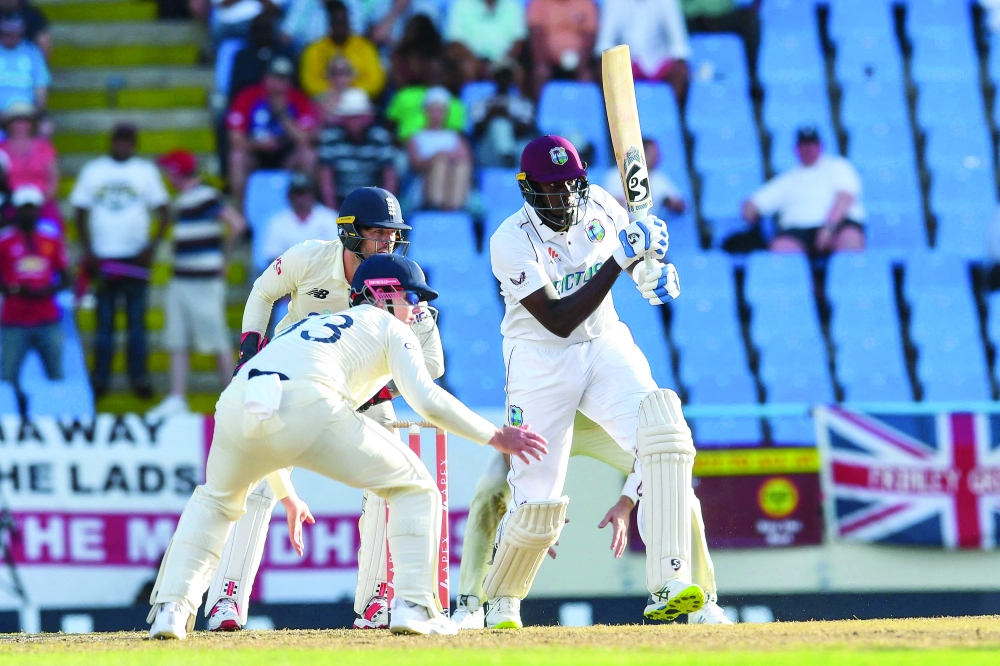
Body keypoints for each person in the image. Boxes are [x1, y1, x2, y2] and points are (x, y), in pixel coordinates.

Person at [146, 252, 549, 639]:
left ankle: (172, 610)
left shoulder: (304, 326)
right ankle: (413, 606)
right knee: (416, 488)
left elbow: (267, 411)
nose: (417, 310)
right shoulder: (388, 325)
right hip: (310, 403)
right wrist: (495, 436)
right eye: (411, 297)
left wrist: (286, 495)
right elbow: (427, 399)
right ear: (381, 293)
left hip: (238, 400)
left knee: (214, 504)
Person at [482, 135, 709, 628]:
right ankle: (499, 601)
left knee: (664, 436)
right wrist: (620, 261)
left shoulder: (603, 204)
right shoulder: (510, 240)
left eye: (571, 186)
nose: (563, 198)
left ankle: (670, 579)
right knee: (537, 501)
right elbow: (557, 319)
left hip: (605, 342)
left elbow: (635, 256)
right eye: (551, 189)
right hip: (540, 358)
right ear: (528, 189)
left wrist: (652, 274)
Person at [204, 187, 441, 632]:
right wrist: (250, 349)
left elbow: (431, 370)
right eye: (377, 235)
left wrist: (421, 325)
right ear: (349, 235)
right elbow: (261, 292)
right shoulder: (310, 257)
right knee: (255, 484)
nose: (386, 246)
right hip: (292, 383)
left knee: (389, 484)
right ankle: (226, 600)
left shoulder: (397, 277)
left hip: (363, 392)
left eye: (393, 237)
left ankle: (375, 602)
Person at [450, 412, 731, 628]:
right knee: (489, 489)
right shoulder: (527, 348)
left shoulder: (611, 347)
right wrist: (534, 507)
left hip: (605, 427)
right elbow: (518, 437)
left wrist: (626, 502)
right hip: (548, 424)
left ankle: (703, 604)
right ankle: (470, 605)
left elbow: (649, 454)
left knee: (679, 489)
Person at [70, 124, 170, 400]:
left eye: (128, 141)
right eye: (119, 140)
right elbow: (79, 212)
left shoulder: (145, 171)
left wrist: (151, 248)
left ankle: (138, 377)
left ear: (134, 144)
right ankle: (100, 379)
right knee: (105, 323)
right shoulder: (94, 170)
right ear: (111, 142)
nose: (123, 145)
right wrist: (88, 251)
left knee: (136, 324)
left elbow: (163, 210)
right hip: (103, 259)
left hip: (136, 258)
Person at [147, 150, 247, 418]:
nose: (166, 175)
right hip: (181, 278)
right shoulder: (184, 199)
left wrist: (224, 259)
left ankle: (232, 396)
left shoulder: (206, 195)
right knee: (176, 337)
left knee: (215, 338)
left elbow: (236, 224)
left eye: (169, 170)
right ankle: (177, 397)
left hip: (204, 280)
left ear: (178, 172)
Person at [740, 125, 866, 254]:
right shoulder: (786, 179)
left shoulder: (838, 166)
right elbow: (752, 204)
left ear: (821, 146)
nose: (809, 149)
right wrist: (753, 217)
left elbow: (845, 198)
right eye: (804, 145)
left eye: (812, 144)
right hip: (798, 232)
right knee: (781, 247)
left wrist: (829, 227)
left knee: (850, 239)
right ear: (796, 149)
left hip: (837, 227)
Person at [0, 186, 68, 417]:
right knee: (7, 377)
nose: (28, 214)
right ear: (16, 210)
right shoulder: (5, 241)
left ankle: (56, 419)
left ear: (39, 210)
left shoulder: (50, 239)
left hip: (47, 316)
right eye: (24, 209)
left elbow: (66, 276)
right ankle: (16, 415)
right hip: (14, 318)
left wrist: (47, 289)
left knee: (56, 374)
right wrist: (12, 289)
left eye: (32, 209)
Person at [226, 57, 318, 212]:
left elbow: (305, 140)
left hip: (285, 156)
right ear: (266, 78)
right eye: (276, 77)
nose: (280, 84)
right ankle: (239, 213)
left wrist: (282, 114)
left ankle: (307, 209)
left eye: (284, 78)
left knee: (309, 156)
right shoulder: (248, 96)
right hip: (256, 153)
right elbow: (235, 138)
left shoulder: (298, 99)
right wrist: (257, 144)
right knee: (237, 157)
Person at [595, 0, 690, 108]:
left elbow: (678, 44)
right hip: (627, 63)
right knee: (603, 68)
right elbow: (605, 42)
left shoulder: (667, 2)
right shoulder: (614, 3)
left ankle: (673, 115)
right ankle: (616, 118)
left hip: (660, 61)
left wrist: (672, 61)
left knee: (681, 70)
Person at [317, 88, 397, 209]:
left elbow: (389, 174)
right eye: (350, 117)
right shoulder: (331, 137)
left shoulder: (380, 137)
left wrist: (385, 206)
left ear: (367, 117)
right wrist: (331, 209)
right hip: (341, 201)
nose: (355, 121)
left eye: (358, 116)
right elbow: (325, 175)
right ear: (343, 118)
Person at [299, 0, 385, 100]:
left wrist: (350, 92)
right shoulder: (314, 50)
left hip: (357, 102)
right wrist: (332, 92)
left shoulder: (365, 47)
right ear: (330, 23)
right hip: (324, 102)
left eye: (343, 22)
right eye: (336, 22)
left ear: (348, 22)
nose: (340, 27)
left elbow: (376, 82)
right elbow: (309, 82)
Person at [406, 86, 472, 210]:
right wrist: (436, 157)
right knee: (440, 164)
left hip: (452, 179)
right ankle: (436, 203)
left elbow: (466, 159)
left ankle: (454, 205)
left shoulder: (455, 137)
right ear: (425, 111)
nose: (437, 115)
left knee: (461, 166)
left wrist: (451, 157)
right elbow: (416, 165)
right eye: (433, 110)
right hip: (424, 183)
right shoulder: (416, 137)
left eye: (440, 111)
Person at [0, 101, 59, 224]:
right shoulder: (2, 149)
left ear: (32, 124)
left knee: (51, 232)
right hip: (11, 205)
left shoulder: (44, 147)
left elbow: (54, 179)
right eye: (16, 120)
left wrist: (42, 201)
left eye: (25, 120)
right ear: (8, 124)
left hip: (42, 203)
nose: (20, 125)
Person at [261, 171, 339, 264]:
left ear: (312, 195)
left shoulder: (329, 218)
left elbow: (338, 253)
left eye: (304, 194)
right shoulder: (277, 222)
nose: (300, 199)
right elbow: (273, 257)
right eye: (296, 194)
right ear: (289, 196)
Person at [470, 60, 535, 168]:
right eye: (500, 75)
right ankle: (506, 156)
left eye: (507, 75)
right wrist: (490, 116)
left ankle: (508, 157)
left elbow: (527, 130)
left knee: (525, 145)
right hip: (489, 151)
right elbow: (476, 133)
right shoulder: (482, 103)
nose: (503, 79)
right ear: (493, 78)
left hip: (516, 147)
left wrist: (508, 117)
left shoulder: (522, 102)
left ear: (512, 78)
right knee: (498, 124)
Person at [526, 0, 597, 98]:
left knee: (587, 77)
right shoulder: (539, 3)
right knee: (540, 74)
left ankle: (585, 110)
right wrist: (542, 63)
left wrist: (582, 62)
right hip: (547, 59)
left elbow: (589, 35)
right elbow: (536, 34)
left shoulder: (585, 3)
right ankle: (538, 111)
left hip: (579, 60)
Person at [444, 0, 526, 84]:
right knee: (467, 68)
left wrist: (500, 63)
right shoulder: (461, 5)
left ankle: (513, 97)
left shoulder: (512, 5)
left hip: (503, 60)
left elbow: (518, 42)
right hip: (473, 60)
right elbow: (456, 42)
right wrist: (479, 64)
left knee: (517, 72)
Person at [682, 0, 761, 86]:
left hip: (723, 12)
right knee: (674, 25)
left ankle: (754, 79)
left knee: (751, 22)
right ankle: (675, 72)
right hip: (688, 15)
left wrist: (753, 9)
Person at [602, 137, 685, 215]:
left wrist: (670, 203)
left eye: (657, 154)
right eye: (653, 154)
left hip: (649, 227)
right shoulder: (615, 175)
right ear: (641, 153)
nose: (657, 157)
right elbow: (607, 206)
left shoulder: (659, 178)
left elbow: (681, 205)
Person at [228, 13, 298, 103]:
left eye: (266, 29)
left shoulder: (286, 53)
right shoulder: (242, 56)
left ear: (272, 30)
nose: (262, 34)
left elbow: (294, 86)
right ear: (252, 31)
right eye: (258, 30)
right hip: (249, 103)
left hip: (284, 103)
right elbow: (236, 89)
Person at [0, 15, 49, 111]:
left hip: (24, 113)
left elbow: (41, 86)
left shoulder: (32, 52)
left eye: (13, 34)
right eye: (6, 33)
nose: (9, 37)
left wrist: (38, 111)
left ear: (20, 33)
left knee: (45, 126)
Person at [313, 55, 357, 123]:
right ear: (328, 75)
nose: (340, 77)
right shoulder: (320, 98)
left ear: (351, 74)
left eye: (344, 72)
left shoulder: (359, 96)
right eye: (335, 72)